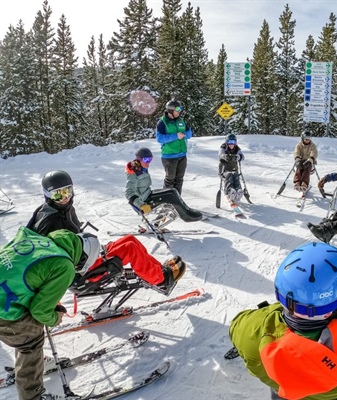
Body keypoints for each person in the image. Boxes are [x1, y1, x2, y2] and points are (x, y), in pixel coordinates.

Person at [229, 242, 337, 400]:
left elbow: (236, 325)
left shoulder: (252, 327)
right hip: (333, 395)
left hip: (282, 391)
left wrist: (275, 310)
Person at [27, 170, 185, 295]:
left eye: (67, 191)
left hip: (85, 257)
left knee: (130, 240)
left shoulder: (58, 209)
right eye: (58, 194)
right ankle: (162, 280)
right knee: (130, 249)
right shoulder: (51, 221)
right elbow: (47, 261)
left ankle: (157, 271)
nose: (64, 198)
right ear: (48, 195)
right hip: (80, 273)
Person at [0, 227, 100, 400]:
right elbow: (40, 311)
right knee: (30, 342)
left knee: (26, 331)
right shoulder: (64, 265)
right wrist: (55, 317)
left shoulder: (37, 239)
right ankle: (33, 396)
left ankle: (35, 365)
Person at [125, 147, 203, 223]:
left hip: (147, 194)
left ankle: (186, 210)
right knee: (171, 196)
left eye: (150, 159)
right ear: (139, 159)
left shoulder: (141, 168)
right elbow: (129, 193)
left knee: (172, 191)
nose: (148, 162)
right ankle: (186, 216)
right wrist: (141, 205)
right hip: (144, 202)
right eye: (146, 159)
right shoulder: (133, 173)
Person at [156, 99, 192, 195]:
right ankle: (167, 201)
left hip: (182, 155)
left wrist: (184, 134)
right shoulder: (162, 122)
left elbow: (189, 133)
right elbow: (159, 138)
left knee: (179, 179)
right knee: (170, 180)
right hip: (169, 156)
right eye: (177, 110)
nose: (179, 112)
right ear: (171, 110)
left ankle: (177, 201)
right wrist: (175, 136)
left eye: (180, 110)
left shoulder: (181, 121)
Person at [219, 133, 245, 203]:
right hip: (225, 169)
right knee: (229, 175)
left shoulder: (237, 148)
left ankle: (238, 190)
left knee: (235, 176)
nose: (231, 144)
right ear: (226, 142)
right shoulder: (223, 147)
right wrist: (225, 156)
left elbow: (242, 156)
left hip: (234, 168)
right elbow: (220, 155)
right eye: (229, 142)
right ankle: (230, 191)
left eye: (233, 142)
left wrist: (239, 157)